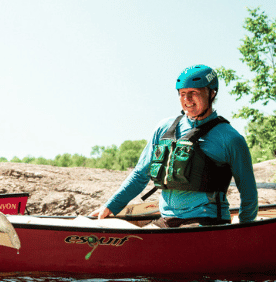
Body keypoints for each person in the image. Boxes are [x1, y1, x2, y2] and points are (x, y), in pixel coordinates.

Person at [90, 65, 258, 228]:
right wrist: (110, 206)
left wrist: (244, 231)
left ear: (212, 93)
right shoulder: (164, 128)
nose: (187, 99)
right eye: (182, 93)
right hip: (167, 220)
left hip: (206, 221)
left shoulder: (230, 138)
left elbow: (249, 193)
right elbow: (140, 175)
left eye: (194, 93)